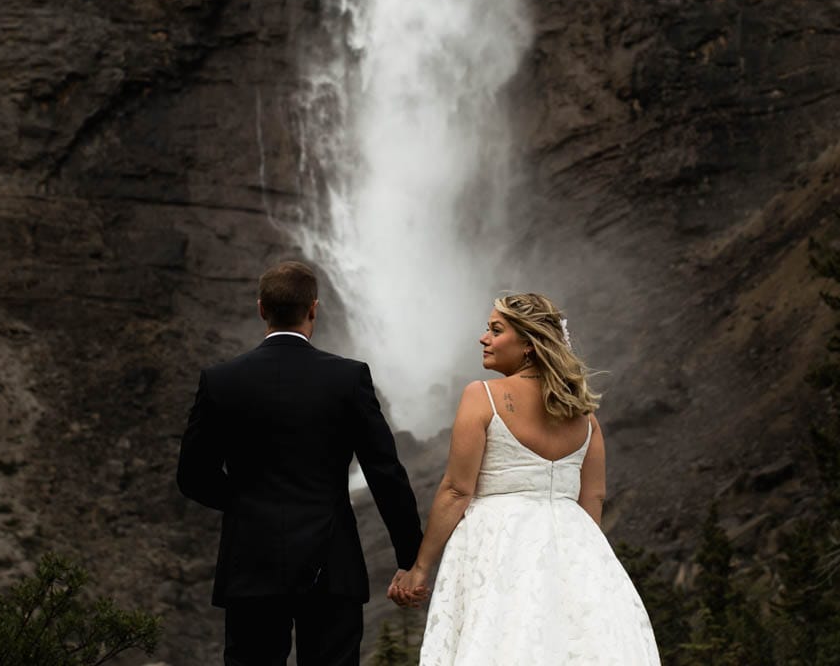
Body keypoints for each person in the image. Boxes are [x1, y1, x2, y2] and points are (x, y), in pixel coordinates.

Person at [388, 292, 660, 664]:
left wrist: (420, 568)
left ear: (530, 344)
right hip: (576, 541)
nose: (483, 338)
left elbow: (456, 489)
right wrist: (578, 560)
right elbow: (593, 497)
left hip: (496, 544)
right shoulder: (585, 416)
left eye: (496, 330)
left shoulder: (481, 396)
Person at [177, 261, 424, 666]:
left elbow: (192, 476)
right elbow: (385, 474)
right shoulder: (349, 378)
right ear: (314, 308)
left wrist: (246, 502)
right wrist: (410, 558)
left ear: (261, 309)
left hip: (251, 562)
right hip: (332, 560)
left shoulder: (221, 380)